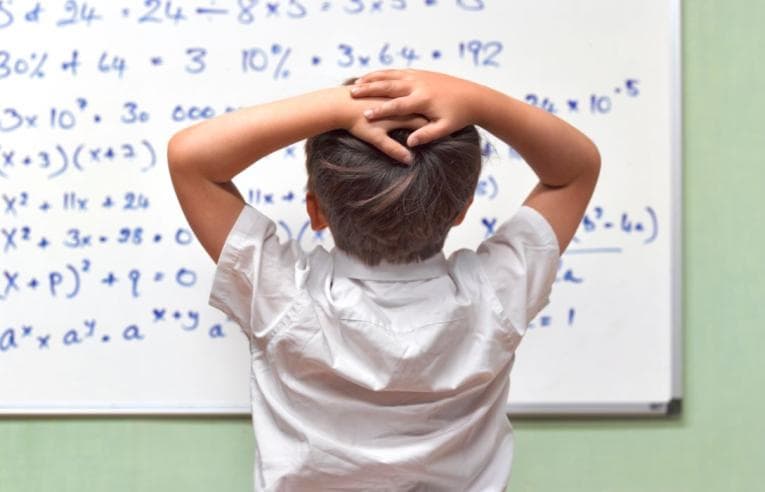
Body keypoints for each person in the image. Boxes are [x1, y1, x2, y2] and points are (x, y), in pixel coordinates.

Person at [167, 69, 600, 491]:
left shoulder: (283, 298)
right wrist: (479, 102)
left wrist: (337, 106)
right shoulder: (494, 296)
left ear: (314, 210)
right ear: (462, 210)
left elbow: (190, 158)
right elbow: (575, 172)